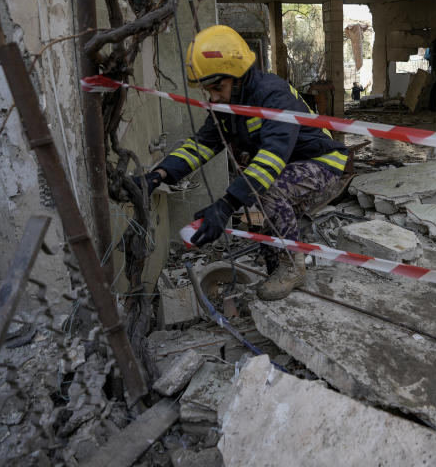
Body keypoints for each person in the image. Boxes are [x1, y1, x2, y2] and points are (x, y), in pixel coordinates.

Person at [141, 25, 350, 300]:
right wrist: (160, 174)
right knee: (264, 208)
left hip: (325, 165)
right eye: (208, 90)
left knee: (267, 190)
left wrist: (226, 205)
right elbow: (202, 144)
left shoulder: (272, 95)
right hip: (295, 167)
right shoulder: (231, 103)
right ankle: (279, 258)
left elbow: (271, 159)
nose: (214, 97)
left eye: (218, 87)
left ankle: (291, 268)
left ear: (238, 76)